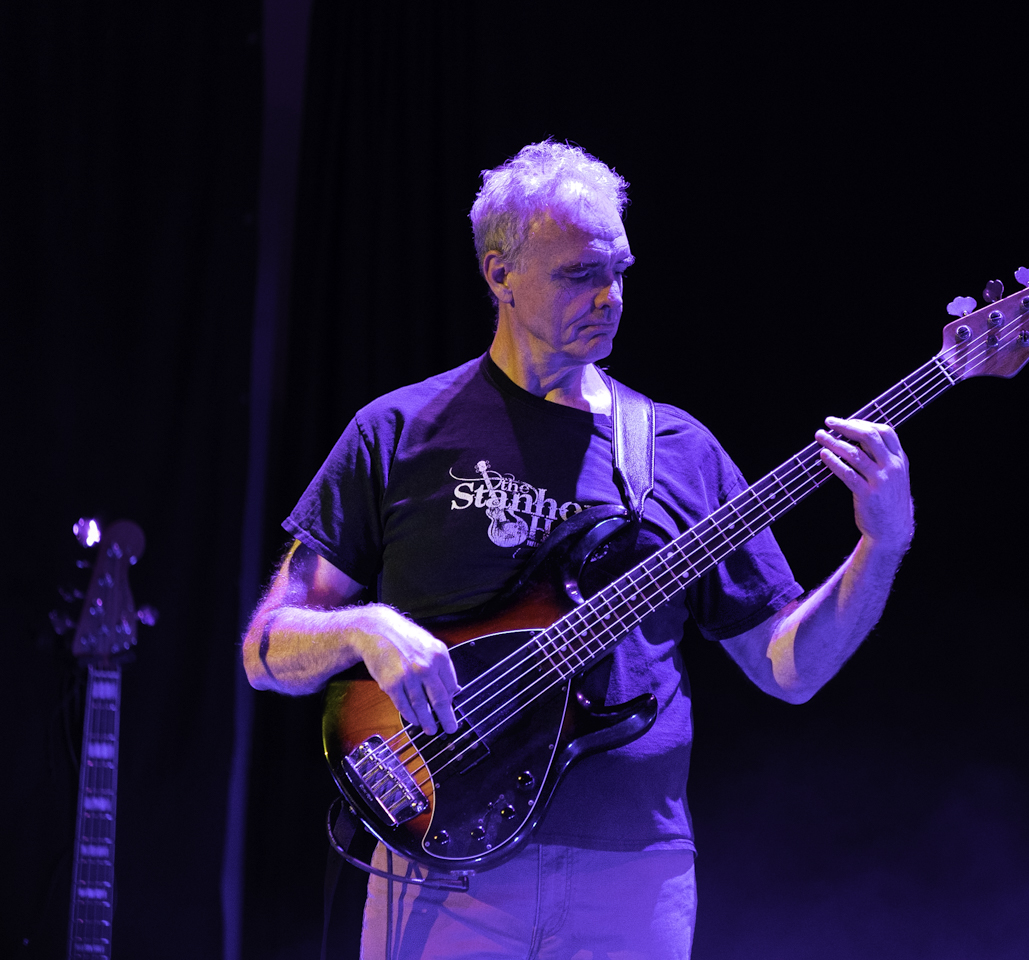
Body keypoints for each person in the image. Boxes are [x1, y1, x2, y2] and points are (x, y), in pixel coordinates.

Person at [242, 140, 914, 959]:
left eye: (620, 271)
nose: (609, 298)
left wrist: (881, 543)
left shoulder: (678, 451)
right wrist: (365, 631)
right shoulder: (399, 431)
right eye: (577, 275)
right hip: (439, 868)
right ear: (499, 274)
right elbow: (265, 649)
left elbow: (790, 669)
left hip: (631, 876)